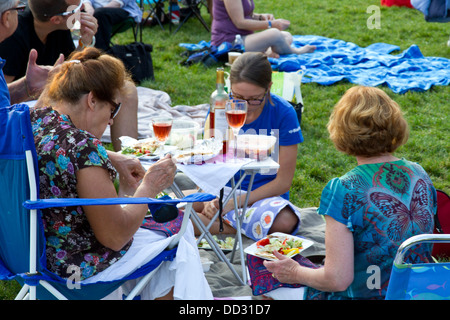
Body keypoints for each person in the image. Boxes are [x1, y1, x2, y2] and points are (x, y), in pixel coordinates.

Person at [30, 47, 213, 300]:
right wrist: (149, 187)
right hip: (77, 271)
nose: (112, 121)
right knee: (179, 242)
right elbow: (116, 236)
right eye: (113, 109)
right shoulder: (83, 149)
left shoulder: (34, 122)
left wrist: (110, 156)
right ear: (92, 100)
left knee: (165, 238)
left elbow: (63, 153)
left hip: (32, 256)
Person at [262, 86, 437, 300]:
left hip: (367, 294)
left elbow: (337, 280)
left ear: (342, 130)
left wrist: (294, 272)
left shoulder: (343, 189)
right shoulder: (419, 173)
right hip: (418, 290)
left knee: (269, 290)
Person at [0, 0, 137, 151]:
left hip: (49, 94)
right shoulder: (13, 38)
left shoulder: (59, 28)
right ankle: (89, 158)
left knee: (125, 88)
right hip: (26, 111)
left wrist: (85, 43)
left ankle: (130, 159)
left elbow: (73, 70)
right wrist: (28, 87)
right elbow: (4, 100)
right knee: (89, 100)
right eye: (76, 8)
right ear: (56, 19)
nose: (82, 8)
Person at [194, 52, 303, 241]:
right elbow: (208, 160)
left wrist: (232, 204)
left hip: (264, 196)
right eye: (237, 96)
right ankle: (232, 224)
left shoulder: (284, 113)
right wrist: (210, 197)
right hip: (222, 189)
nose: (245, 105)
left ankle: (210, 224)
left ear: (269, 87)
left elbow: (283, 182)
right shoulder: (221, 108)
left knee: (285, 221)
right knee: (170, 205)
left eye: (254, 99)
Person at [210, 0, 315, 58]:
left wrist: (260, 17)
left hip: (244, 37)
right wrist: (270, 24)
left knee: (286, 35)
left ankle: (269, 52)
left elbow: (244, 14)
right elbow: (240, 23)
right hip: (229, 42)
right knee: (275, 34)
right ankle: (296, 52)